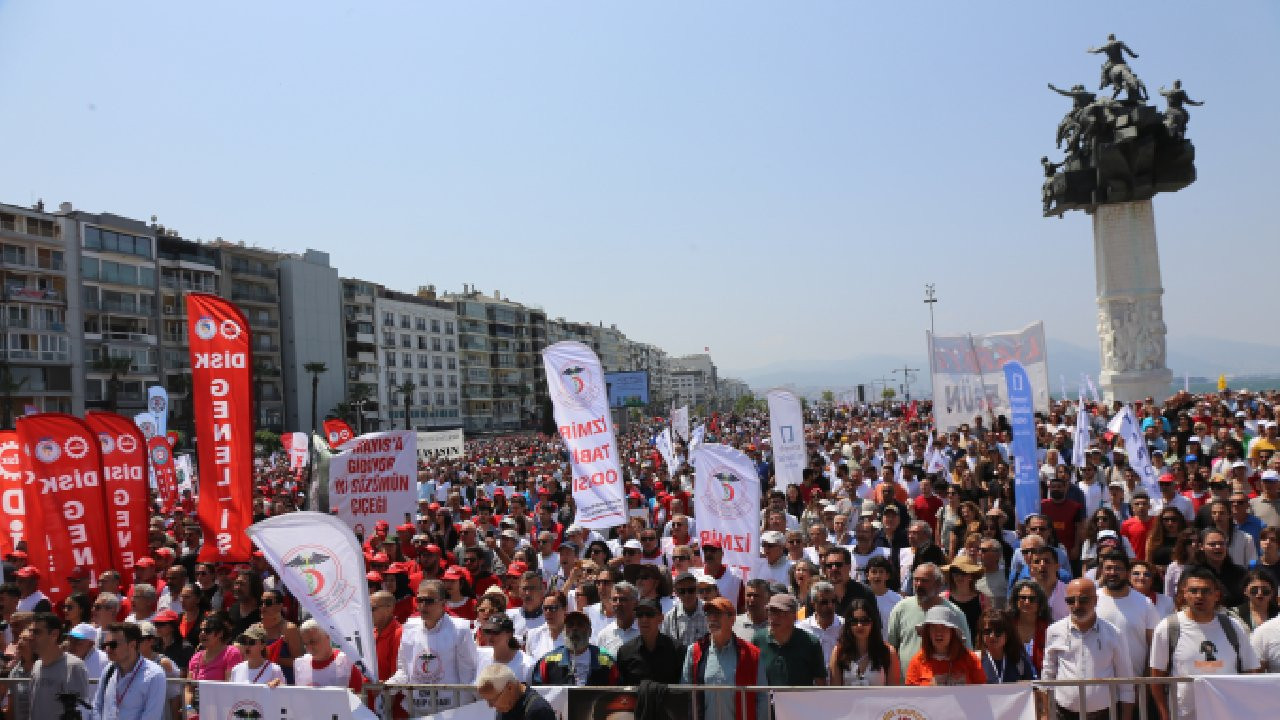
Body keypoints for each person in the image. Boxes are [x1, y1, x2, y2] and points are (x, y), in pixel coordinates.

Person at [1150, 567, 1262, 720]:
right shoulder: (1168, 628)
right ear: (1184, 594)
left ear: (1216, 595)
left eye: (1206, 591)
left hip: (1228, 713)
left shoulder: (1233, 627)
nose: (1199, 596)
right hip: (1185, 715)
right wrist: (1164, 715)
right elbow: (1157, 678)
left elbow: (1252, 671)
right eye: (1193, 591)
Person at [1039, 578, 1136, 720]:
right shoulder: (1054, 631)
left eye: (1083, 600)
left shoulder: (1114, 633)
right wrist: (1046, 713)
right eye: (1071, 601)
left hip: (1103, 714)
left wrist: (1126, 716)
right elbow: (1048, 673)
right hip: (1063, 713)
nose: (1077, 605)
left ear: (1096, 601)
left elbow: (1125, 679)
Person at [390, 579, 479, 715]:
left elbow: (467, 674)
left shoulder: (460, 629)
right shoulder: (409, 628)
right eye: (420, 600)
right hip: (418, 709)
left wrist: (464, 713)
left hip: (450, 710)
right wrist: (388, 687)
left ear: (443, 604)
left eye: (429, 601)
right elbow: (404, 671)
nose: (423, 606)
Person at [682, 596, 767, 720]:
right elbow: (685, 693)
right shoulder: (694, 651)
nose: (712, 618)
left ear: (732, 619)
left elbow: (762, 697)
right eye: (709, 614)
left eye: (717, 614)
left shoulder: (751, 654)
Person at [886, 563, 971, 678]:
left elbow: (967, 651)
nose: (919, 584)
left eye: (925, 581)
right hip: (906, 686)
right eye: (916, 580)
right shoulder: (900, 609)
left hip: (944, 687)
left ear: (938, 584)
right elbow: (891, 648)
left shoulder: (954, 613)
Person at [1095, 551, 1161, 681]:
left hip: (1135, 684)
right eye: (1108, 568)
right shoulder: (1093, 600)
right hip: (1099, 685)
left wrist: (1146, 683)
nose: (1113, 573)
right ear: (1101, 571)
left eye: (1118, 568)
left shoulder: (1145, 603)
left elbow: (1154, 646)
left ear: (1127, 573)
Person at [754, 593, 827, 686]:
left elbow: (820, 681)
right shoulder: (758, 640)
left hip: (800, 700)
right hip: (766, 699)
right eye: (771, 612)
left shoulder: (811, 643)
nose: (774, 618)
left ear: (794, 616)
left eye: (780, 613)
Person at [530, 609, 619, 686]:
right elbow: (538, 692)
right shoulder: (547, 662)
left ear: (590, 631)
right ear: (564, 631)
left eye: (580, 624)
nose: (575, 629)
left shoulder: (607, 663)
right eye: (570, 625)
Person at [29, 612, 90, 720]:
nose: (31, 637)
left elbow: (80, 711)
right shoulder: (37, 665)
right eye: (31, 632)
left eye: (37, 632)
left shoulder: (74, 666)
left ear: (54, 634)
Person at [905, 605, 985, 686]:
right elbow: (911, 696)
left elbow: (983, 692)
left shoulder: (970, 659)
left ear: (952, 632)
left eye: (944, 627)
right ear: (928, 632)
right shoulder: (917, 661)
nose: (938, 632)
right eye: (933, 627)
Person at [829, 598, 900, 686]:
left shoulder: (888, 652)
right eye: (854, 621)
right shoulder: (839, 652)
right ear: (848, 624)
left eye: (865, 620)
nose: (859, 625)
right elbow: (835, 693)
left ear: (873, 623)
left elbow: (893, 693)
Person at [616, 598, 681, 683]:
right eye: (640, 615)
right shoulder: (625, 652)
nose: (644, 619)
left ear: (661, 618)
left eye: (649, 614)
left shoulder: (676, 650)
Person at [475, 662, 556, 720]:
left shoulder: (539, 711)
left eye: (493, 700)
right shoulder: (505, 707)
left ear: (510, 688)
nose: (490, 706)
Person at [975, 609, 1035, 683]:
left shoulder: (1019, 661)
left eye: (998, 631)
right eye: (987, 631)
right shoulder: (974, 661)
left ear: (1008, 634)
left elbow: (1031, 688)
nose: (992, 636)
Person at [474, 614, 534, 684]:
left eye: (496, 632)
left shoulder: (527, 665)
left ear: (509, 634)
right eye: (488, 631)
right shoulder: (479, 656)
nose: (490, 636)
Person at [1010, 579, 1050, 675]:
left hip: (1041, 681)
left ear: (1040, 602)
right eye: (1022, 598)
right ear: (1016, 600)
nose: (1027, 602)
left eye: (1032, 599)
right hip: (1011, 682)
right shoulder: (1007, 626)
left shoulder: (1048, 629)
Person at [661, 571, 707, 649]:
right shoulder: (669, 617)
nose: (687, 595)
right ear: (676, 593)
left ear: (697, 589)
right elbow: (665, 646)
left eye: (691, 590)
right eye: (682, 591)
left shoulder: (709, 611)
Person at [596, 581, 640, 657]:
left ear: (635, 603)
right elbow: (603, 664)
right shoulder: (604, 636)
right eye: (614, 599)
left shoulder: (644, 631)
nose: (618, 604)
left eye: (623, 599)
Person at [523, 591, 568, 661]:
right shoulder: (533, 635)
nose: (548, 612)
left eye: (553, 608)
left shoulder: (574, 636)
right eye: (545, 608)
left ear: (564, 609)